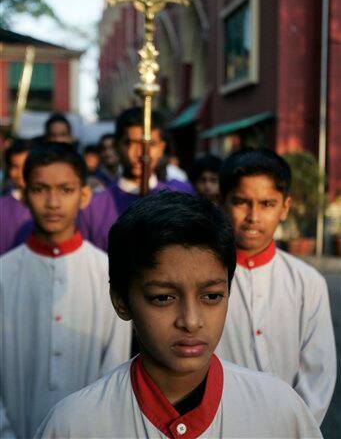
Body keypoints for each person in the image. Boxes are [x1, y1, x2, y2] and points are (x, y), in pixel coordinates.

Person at [36, 192, 321, 438]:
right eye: (163, 298)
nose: (191, 320)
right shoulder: (75, 425)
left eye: (211, 296)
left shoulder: (280, 410)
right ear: (121, 301)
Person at [0, 143, 131, 439]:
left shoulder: (108, 272)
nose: (53, 202)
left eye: (66, 189)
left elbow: (115, 366)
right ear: (24, 194)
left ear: (84, 195)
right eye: (40, 189)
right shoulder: (3, 274)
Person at [215, 148, 336, 426]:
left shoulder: (307, 283)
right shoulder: (203, 277)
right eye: (242, 202)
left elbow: (318, 373)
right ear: (222, 203)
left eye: (267, 204)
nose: (253, 216)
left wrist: (289, 427)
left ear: (285, 207)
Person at [79, 107, 193, 251]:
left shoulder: (182, 200)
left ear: (161, 148)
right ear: (116, 146)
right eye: (130, 143)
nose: (141, 153)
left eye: (150, 144)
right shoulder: (93, 207)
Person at [0, 139, 34, 254]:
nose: (20, 173)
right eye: (15, 167)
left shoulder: (51, 206)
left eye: (26, 166)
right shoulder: (2, 206)